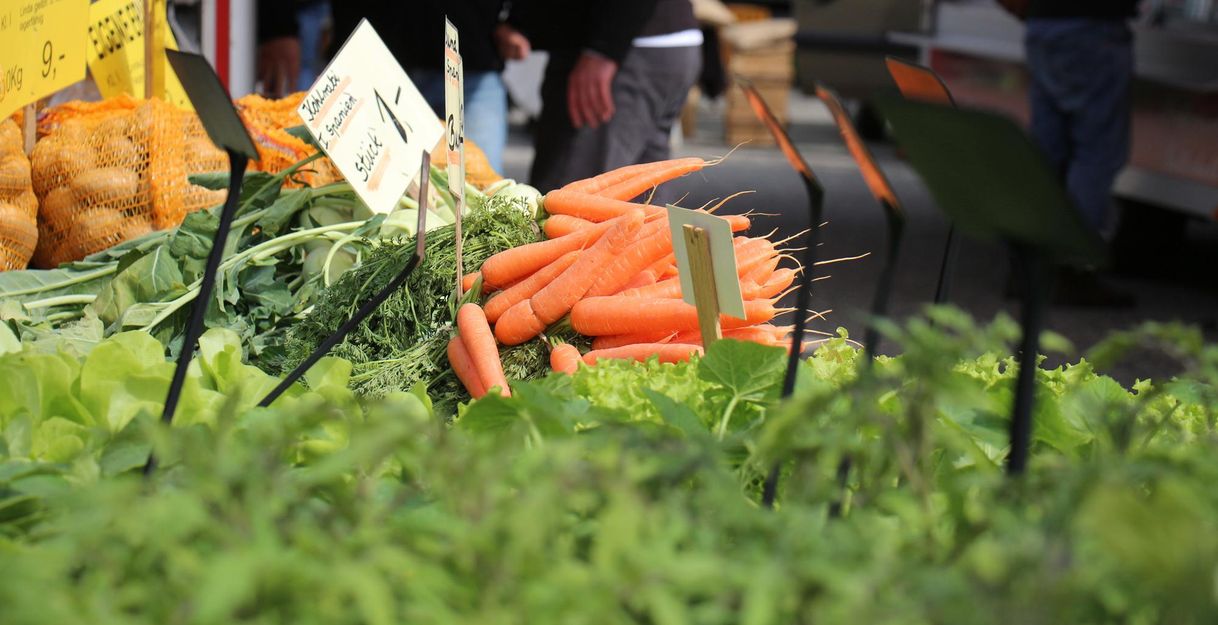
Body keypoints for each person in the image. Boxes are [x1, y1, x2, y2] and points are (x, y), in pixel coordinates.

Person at [256, 1, 511, 174]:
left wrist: (520, 21)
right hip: (369, 60)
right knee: (349, 199)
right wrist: (278, 24)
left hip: (471, 65)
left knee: (481, 199)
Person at [1000, 0, 1139, 306]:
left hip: (1044, 23)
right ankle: (1071, 268)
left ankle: (1028, 265)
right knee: (1095, 154)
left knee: (1047, 154)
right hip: (1091, 25)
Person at [498, 0, 703, 194]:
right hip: (652, 40)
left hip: (624, 47)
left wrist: (604, 49)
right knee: (642, 198)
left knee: (570, 199)